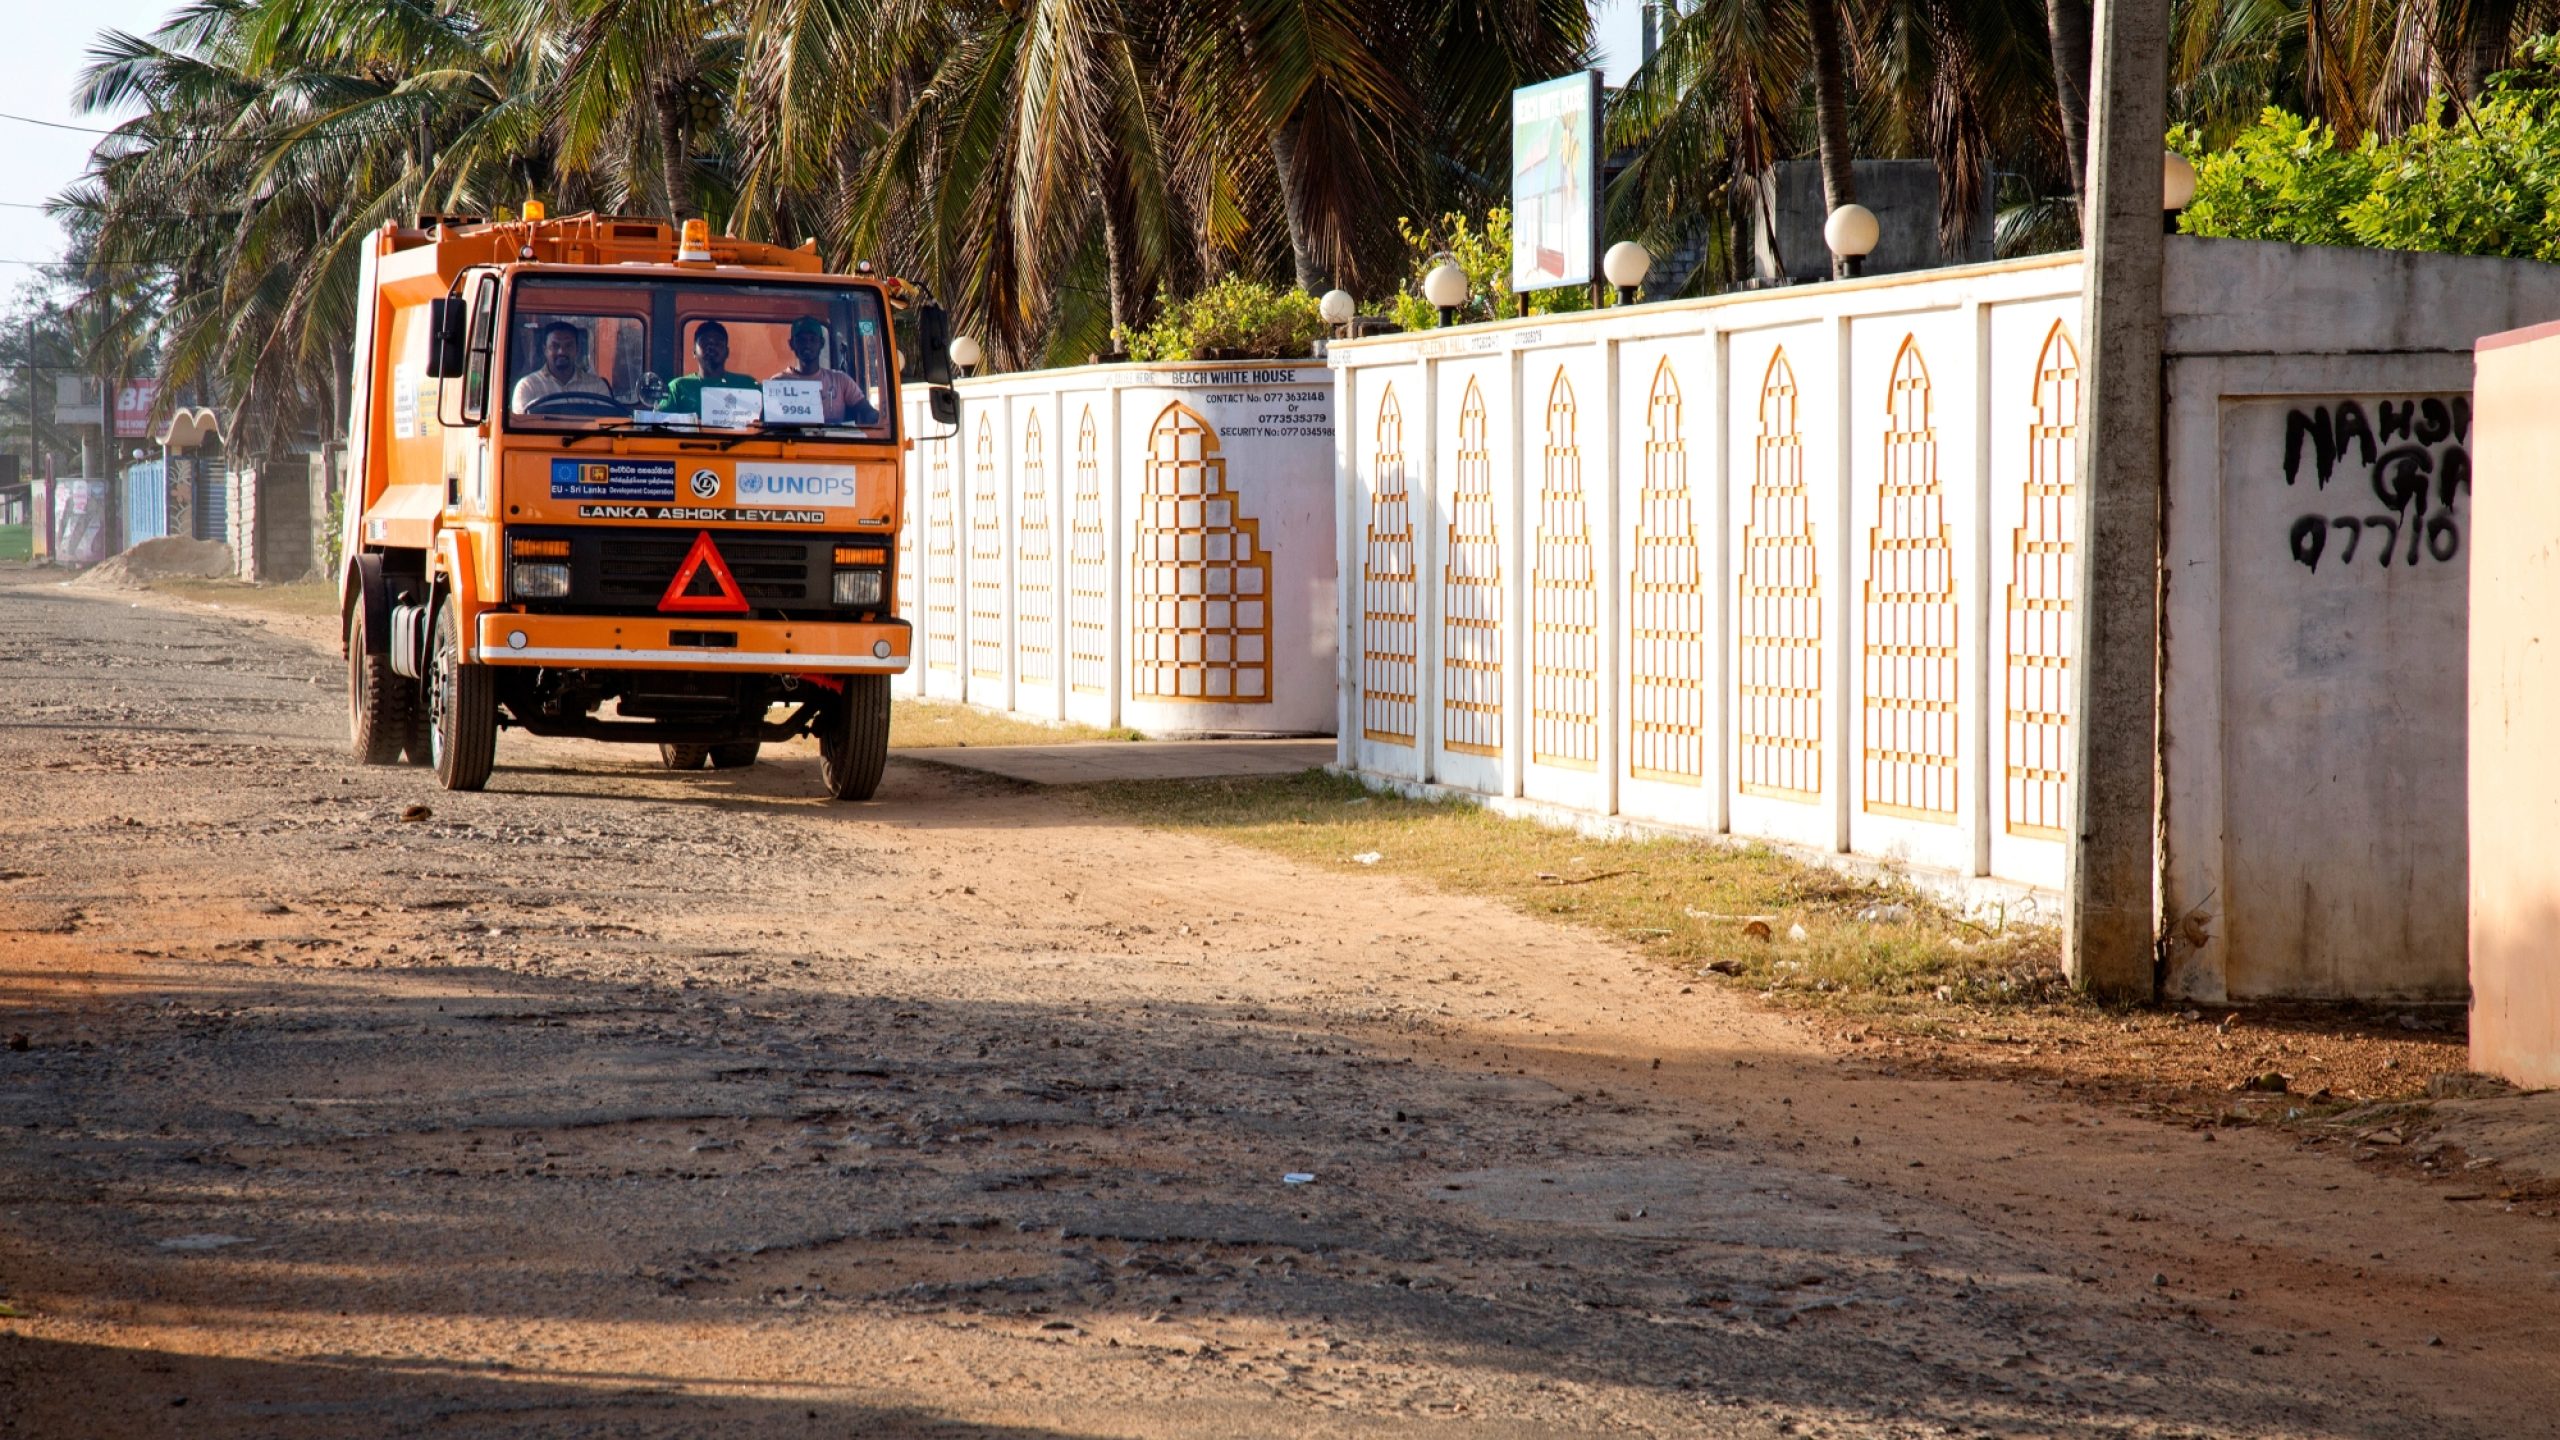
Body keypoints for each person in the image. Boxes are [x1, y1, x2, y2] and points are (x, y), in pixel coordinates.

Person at [767, 316, 878, 425]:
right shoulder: (778, 383)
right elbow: (766, 424)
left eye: (813, 339)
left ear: (822, 343)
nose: (807, 345)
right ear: (792, 344)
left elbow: (866, 410)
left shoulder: (841, 381)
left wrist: (875, 417)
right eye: (801, 340)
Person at [661, 320, 761, 419]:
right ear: (694, 352)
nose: (711, 347)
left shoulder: (748, 384)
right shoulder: (678, 388)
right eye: (704, 343)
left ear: (727, 352)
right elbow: (661, 425)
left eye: (718, 343)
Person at [510, 321, 611, 411]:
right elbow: (521, 425)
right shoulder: (528, 386)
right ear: (545, 350)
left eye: (568, 345)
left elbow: (608, 423)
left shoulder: (597, 386)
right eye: (555, 346)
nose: (561, 351)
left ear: (577, 349)